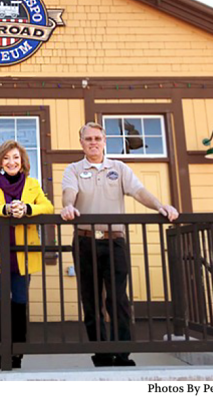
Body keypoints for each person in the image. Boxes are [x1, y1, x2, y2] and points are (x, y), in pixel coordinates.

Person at [60, 122, 178, 367]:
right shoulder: (73, 169)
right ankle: (102, 355)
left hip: (114, 243)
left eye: (97, 138)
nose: (93, 142)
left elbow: (139, 191)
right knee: (91, 300)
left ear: (105, 142)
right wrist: (68, 206)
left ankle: (123, 353)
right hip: (84, 242)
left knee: (117, 299)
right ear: (81, 143)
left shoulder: (119, 168)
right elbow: (68, 193)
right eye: (88, 139)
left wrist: (160, 206)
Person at [0, 140, 54, 369]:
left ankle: (18, 352)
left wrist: (27, 209)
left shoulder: (32, 184)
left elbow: (47, 207)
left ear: (22, 162)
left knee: (19, 302)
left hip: (23, 255)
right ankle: (1, 352)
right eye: (6, 158)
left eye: (16, 158)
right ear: (0, 162)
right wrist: (6, 210)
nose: (11, 162)